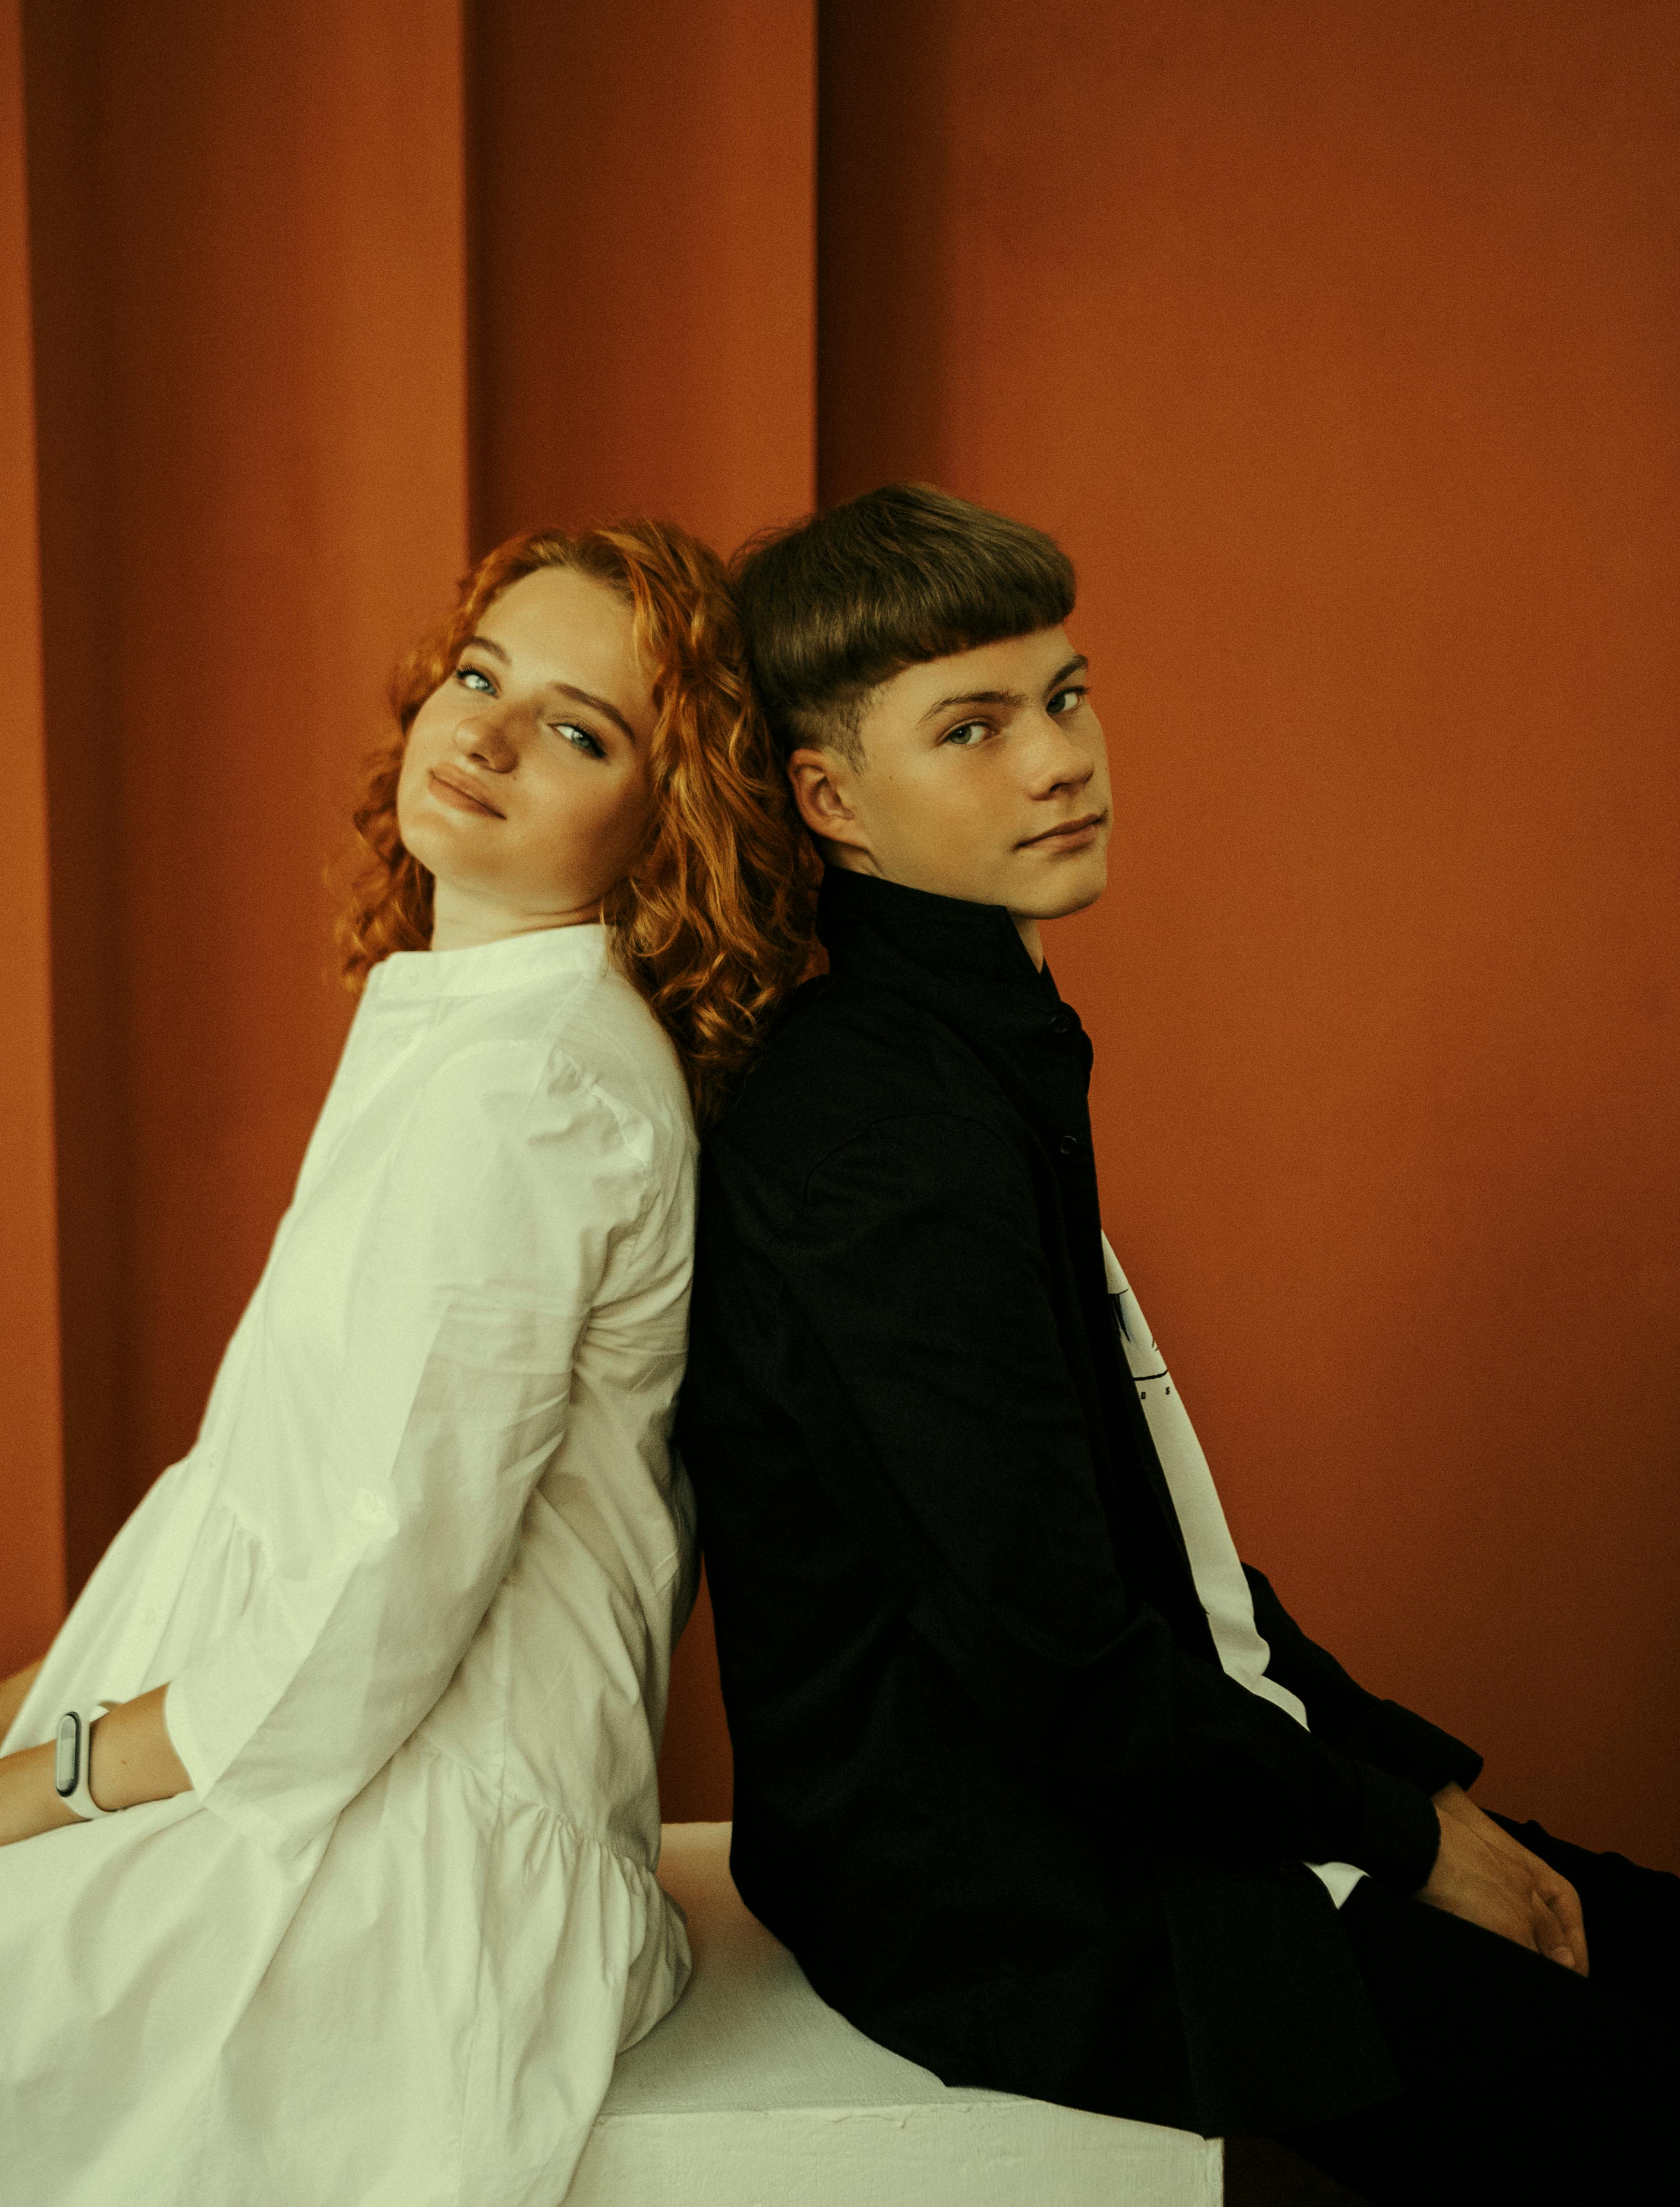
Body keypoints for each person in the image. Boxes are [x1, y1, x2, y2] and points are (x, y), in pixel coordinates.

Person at [0, 521, 810, 2207]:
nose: (488, 733)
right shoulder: (471, 1020)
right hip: (289, 1766)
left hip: (407, 1864)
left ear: (662, 821)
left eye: (579, 728)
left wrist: (70, 1771)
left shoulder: (531, 1089)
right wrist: (0, 1715)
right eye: (481, 677)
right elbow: (268, 1502)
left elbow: (374, 1591)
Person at [677, 483, 1677, 2203]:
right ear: (833, 799)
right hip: (1013, 1884)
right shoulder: (880, 1132)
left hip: (1134, 1789)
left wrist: (1412, 1790)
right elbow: (1063, 1665)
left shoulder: (975, 1042)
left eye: (1065, 697)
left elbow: (1159, 1554)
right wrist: (1394, 1829)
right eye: (972, 728)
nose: (1059, 759)